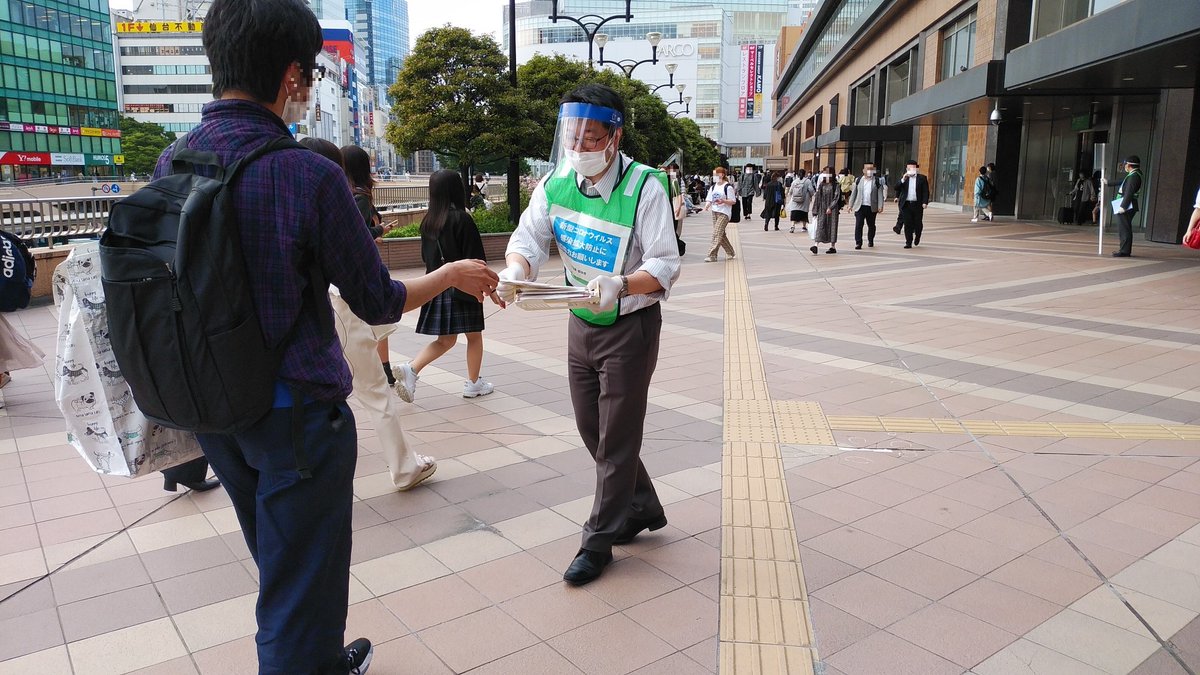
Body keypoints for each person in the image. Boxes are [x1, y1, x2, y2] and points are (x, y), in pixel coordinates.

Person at [159, 1, 497, 671]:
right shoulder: (308, 176)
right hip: (297, 417)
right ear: (290, 76)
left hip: (216, 410)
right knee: (294, 590)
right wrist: (452, 273)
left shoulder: (172, 162)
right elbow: (377, 300)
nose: (310, 86)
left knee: (281, 561)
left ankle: (317, 654)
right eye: (310, 72)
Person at [497, 83, 681, 586]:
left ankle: (597, 540)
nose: (578, 147)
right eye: (571, 135)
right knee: (592, 429)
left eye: (590, 136)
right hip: (580, 320)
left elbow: (666, 263)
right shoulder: (555, 183)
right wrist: (515, 272)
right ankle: (641, 504)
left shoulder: (645, 186)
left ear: (614, 138)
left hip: (630, 325)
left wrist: (621, 284)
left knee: (616, 438)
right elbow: (528, 238)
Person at [301, 136, 437, 491]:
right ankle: (404, 467)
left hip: (303, 316)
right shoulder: (334, 203)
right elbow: (363, 281)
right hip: (340, 305)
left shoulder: (283, 200)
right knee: (375, 390)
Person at [394, 170, 500, 401]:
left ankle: (411, 369)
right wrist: (489, 288)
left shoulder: (427, 223)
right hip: (465, 286)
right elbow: (477, 258)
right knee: (474, 337)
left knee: (445, 340)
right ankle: (473, 383)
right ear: (456, 189)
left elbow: (426, 258)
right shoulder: (462, 219)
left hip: (437, 286)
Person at [894, 159, 930, 248]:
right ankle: (908, 242)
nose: (911, 170)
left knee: (918, 223)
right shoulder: (904, 178)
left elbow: (926, 191)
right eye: (909, 168)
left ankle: (918, 236)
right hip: (906, 204)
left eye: (913, 168)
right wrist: (902, 179)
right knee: (907, 224)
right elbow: (897, 188)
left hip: (917, 205)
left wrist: (925, 202)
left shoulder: (922, 178)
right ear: (907, 169)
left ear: (916, 169)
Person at [849, 162, 886, 249]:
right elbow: (854, 193)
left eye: (871, 169)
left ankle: (870, 240)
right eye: (867, 169)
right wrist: (850, 205)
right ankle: (858, 242)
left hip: (871, 207)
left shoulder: (877, 181)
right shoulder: (858, 180)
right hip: (860, 206)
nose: (869, 171)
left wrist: (881, 206)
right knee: (859, 224)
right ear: (863, 170)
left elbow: (880, 194)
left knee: (871, 225)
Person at [704, 166, 737, 262]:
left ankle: (712, 255)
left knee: (717, 233)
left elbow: (733, 201)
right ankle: (731, 252)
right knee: (721, 234)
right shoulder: (713, 187)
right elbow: (709, 199)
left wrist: (723, 201)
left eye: (715, 174)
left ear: (721, 175)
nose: (714, 176)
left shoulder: (728, 187)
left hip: (724, 212)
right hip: (715, 212)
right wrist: (707, 206)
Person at [1112, 156, 1142, 257]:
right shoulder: (1133, 174)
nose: (1124, 166)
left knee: (1124, 228)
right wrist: (1108, 182)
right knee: (1125, 227)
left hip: (1127, 205)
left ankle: (1124, 251)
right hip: (1128, 204)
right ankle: (1124, 249)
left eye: (1125, 164)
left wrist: (1123, 206)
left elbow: (1129, 192)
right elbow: (1123, 182)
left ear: (1129, 165)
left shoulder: (1134, 176)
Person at [809, 167, 841, 255]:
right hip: (822, 208)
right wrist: (815, 210)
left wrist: (830, 207)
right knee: (820, 225)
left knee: (832, 226)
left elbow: (836, 197)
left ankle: (832, 246)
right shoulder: (822, 184)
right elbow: (818, 197)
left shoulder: (836, 185)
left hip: (833, 210)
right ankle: (815, 245)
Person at [788, 169, 813, 234]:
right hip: (804, 201)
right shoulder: (808, 181)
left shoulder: (795, 181)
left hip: (795, 200)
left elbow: (790, 191)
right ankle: (804, 227)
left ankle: (792, 226)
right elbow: (811, 190)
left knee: (794, 213)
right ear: (805, 174)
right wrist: (811, 196)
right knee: (804, 213)